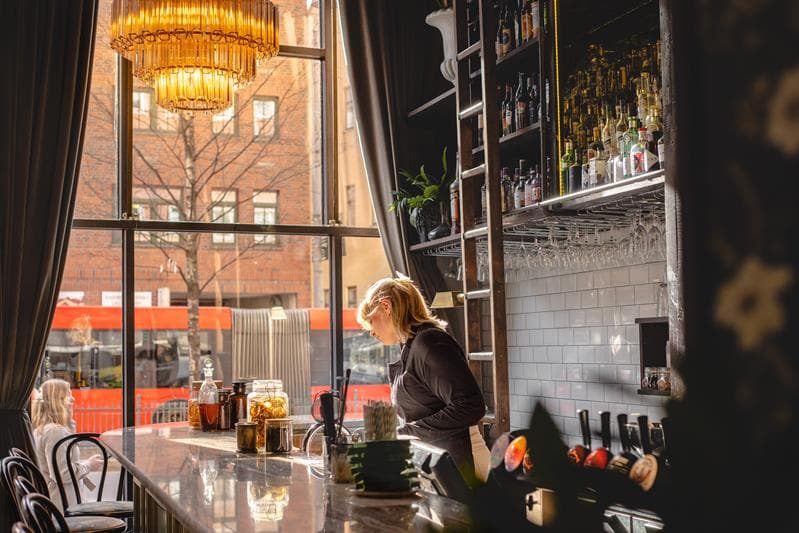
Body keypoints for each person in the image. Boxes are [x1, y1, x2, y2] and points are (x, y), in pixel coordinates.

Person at [357, 276, 488, 484]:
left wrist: (402, 433)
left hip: (463, 463)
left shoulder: (430, 342)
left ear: (386, 306)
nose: (371, 331)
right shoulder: (410, 347)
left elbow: (471, 406)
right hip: (441, 463)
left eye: (370, 320)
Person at [31, 378, 104, 511]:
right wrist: (89, 465)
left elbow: (59, 465)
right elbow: (63, 475)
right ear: (58, 401)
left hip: (57, 501)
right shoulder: (55, 432)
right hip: (63, 506)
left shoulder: (43, 429)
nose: (73, 400)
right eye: (68, 395)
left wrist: (69, 423)